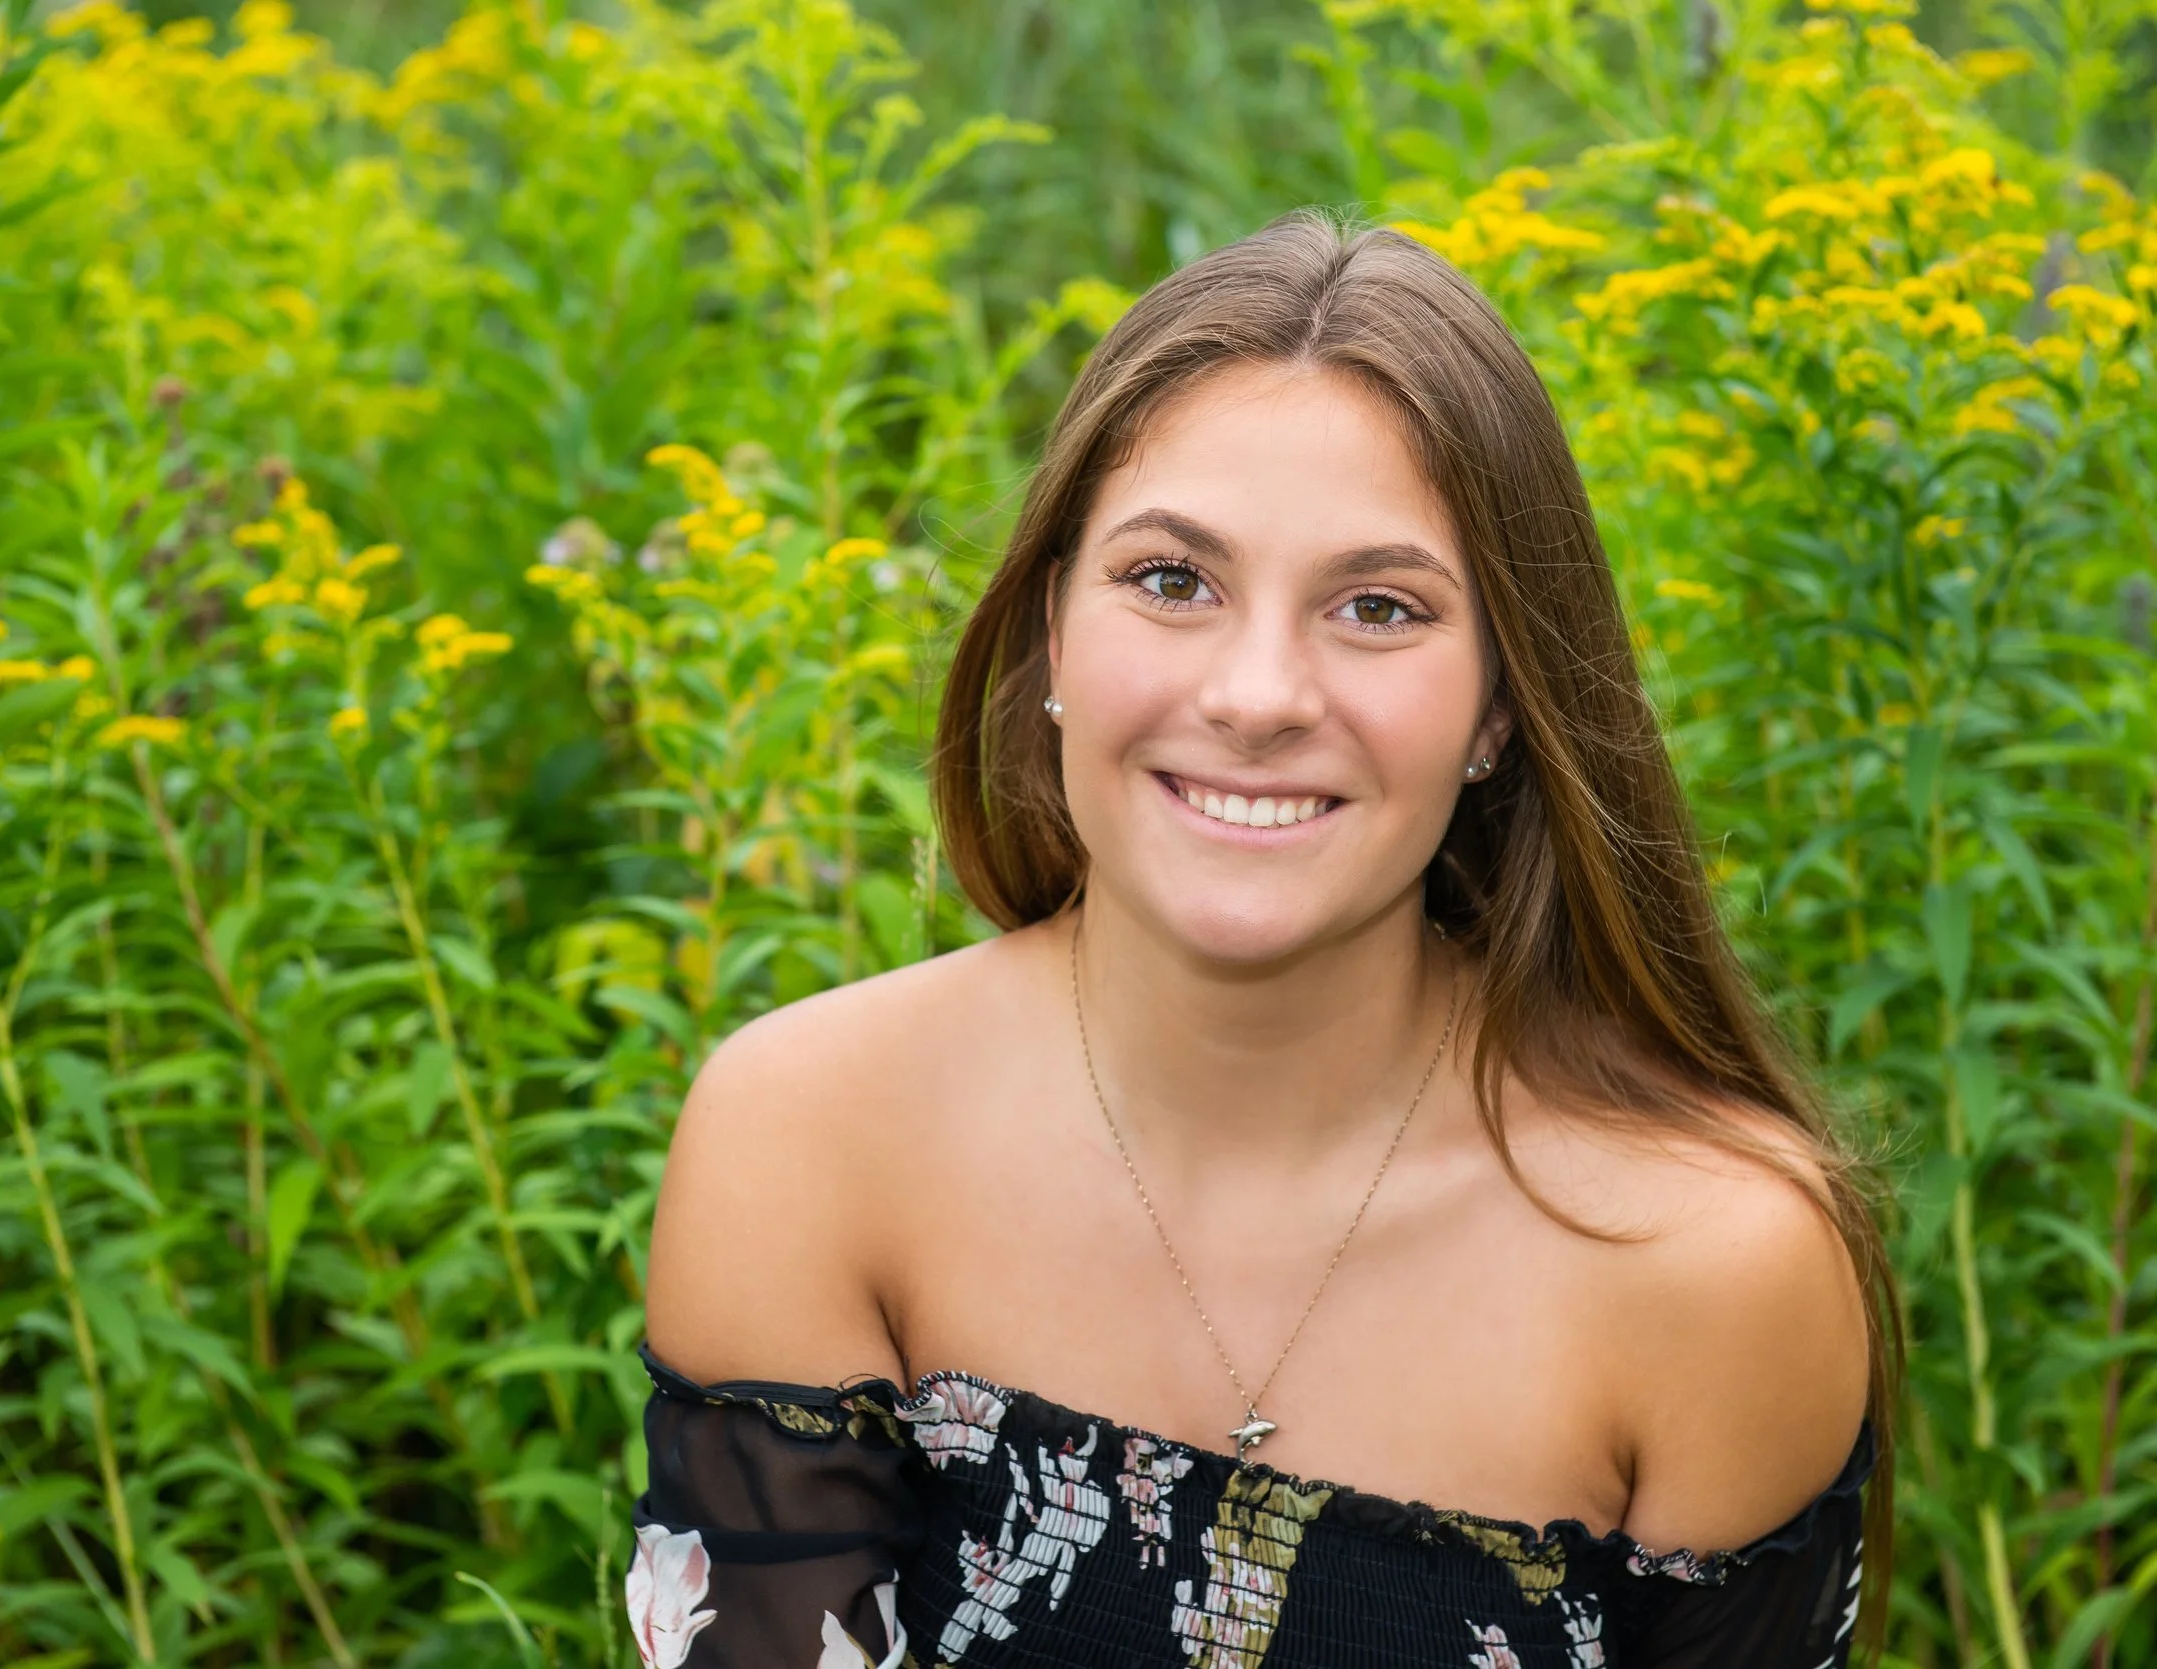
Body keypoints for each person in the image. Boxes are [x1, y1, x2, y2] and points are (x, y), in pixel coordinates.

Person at [627, 211, 1893, 1669]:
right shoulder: (810, 1137)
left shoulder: (1715, 1265)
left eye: (1378, 607)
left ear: (1498, 705)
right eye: (1174, 580)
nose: (1259, 691)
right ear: (1050, 632)